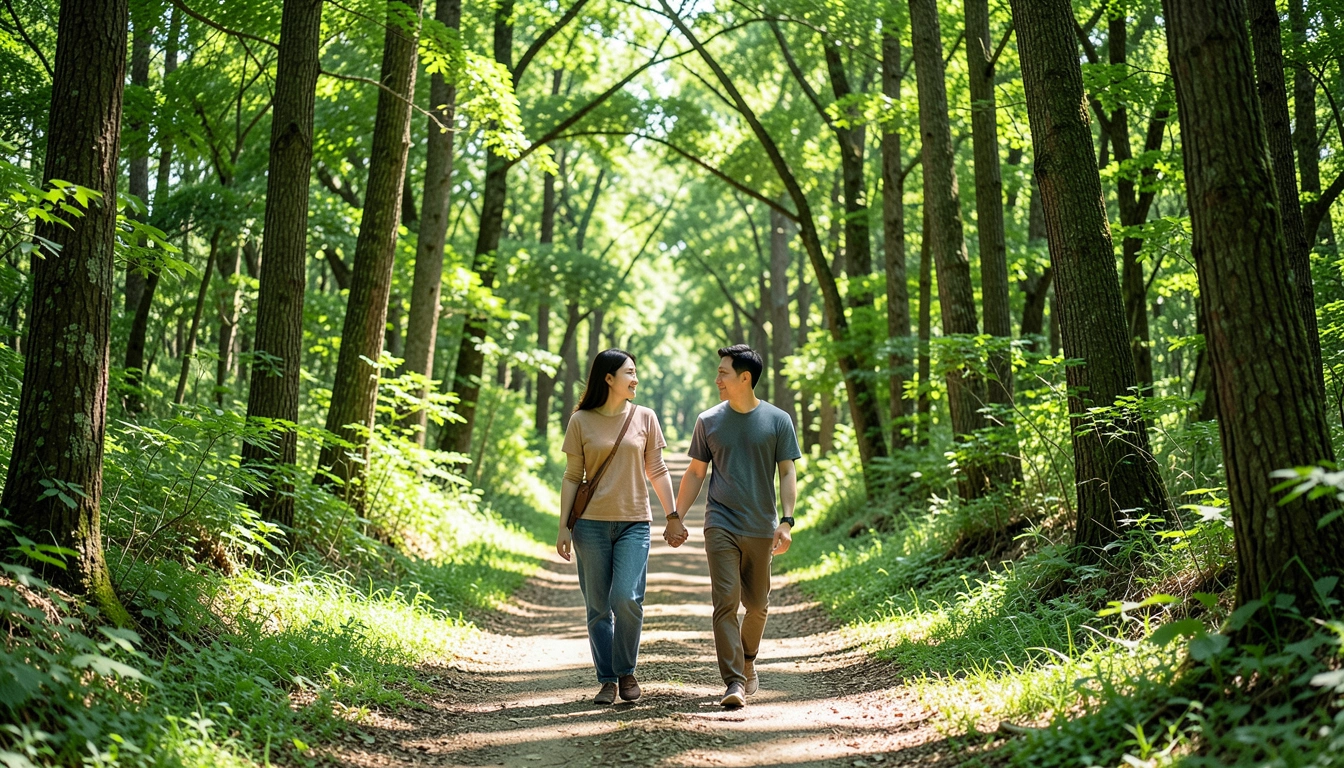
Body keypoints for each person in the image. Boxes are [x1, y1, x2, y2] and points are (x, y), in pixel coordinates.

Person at [667, 345, 800, 708]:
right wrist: (675, 515)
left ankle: (748, 660)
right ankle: (734, 683)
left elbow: (787, 470)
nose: (717, 379)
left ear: (745, 377)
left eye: (723, 373)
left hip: (761, 524)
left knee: (757, 606)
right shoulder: (708, 420)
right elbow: (696, 472)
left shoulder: (777, 420)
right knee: (725, 602)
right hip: (720, 522)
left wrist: (787, 521)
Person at [556, 348, 684, 705]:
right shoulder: (581, 421)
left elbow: (657, 470)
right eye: (629, 372)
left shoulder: (645, 417)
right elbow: (571, 476)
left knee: (626, 598)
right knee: (597, 606)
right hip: (590, 527)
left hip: (634, 524)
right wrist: (563, 527)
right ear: (608, 378)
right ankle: (608, 680)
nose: (636, 378)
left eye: (636, 371)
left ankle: (627, 671)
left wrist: (672, 516)